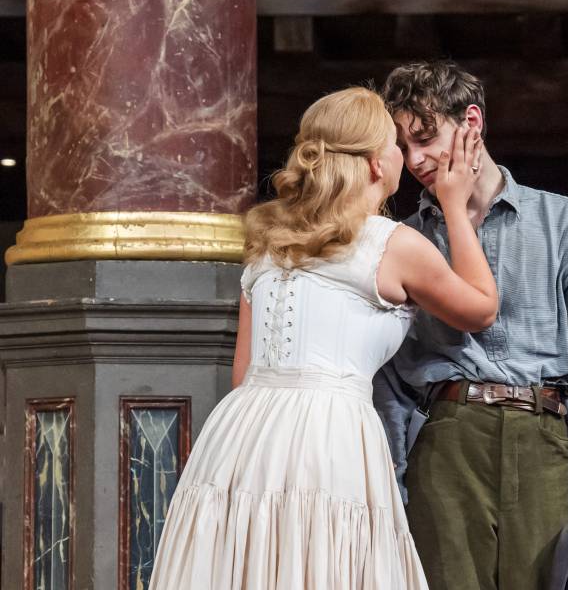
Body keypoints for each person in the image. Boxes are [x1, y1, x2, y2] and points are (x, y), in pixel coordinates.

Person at [148, 86, 498, 590]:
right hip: (328, 433)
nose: (404, 155)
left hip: (239, 435)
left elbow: (244, 372)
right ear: (377, 164)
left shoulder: (268, 243)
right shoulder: (392, 244)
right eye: (395, 144)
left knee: (248, 563)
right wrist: (453, 205)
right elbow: (481, 309)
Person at [373, 61, 568, 590]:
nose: (415, 160)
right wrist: (391, 481)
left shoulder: (563, 221)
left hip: (540, 432)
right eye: (403, 147)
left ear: (471, 122)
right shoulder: (404, 240)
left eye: (425, 138)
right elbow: (388, 374)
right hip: (446, 433)